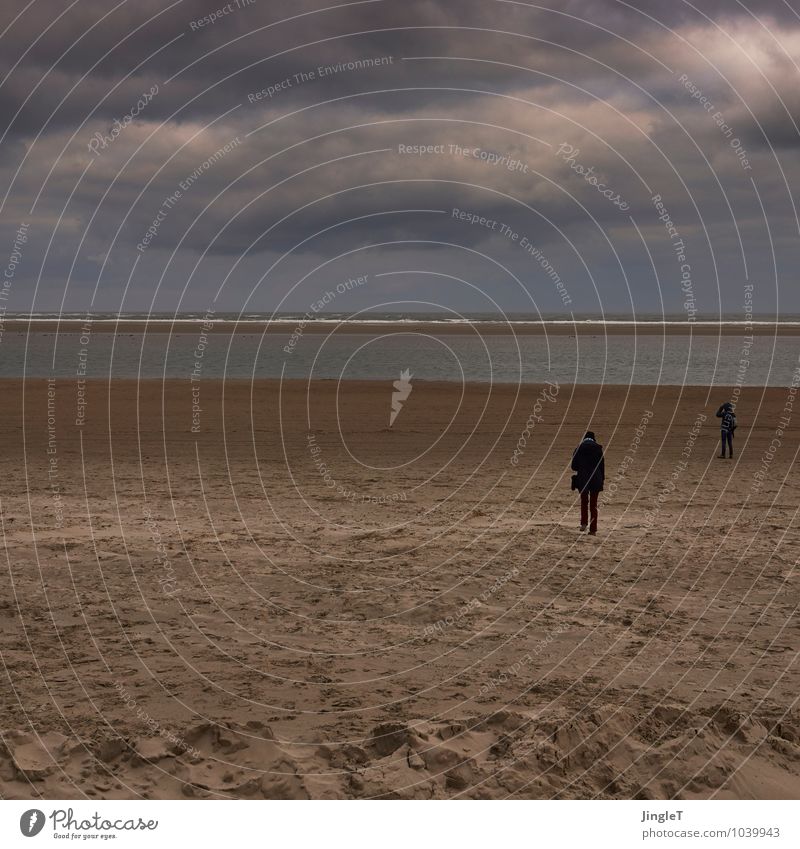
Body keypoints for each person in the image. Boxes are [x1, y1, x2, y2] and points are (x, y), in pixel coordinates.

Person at [571, 431, 605, 535]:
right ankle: (593, 529)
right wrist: (602, 479)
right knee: (594, 505)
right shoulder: (598, 449)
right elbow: (602, 466)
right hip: (596, 479)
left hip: (583, 478)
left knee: (584, 502)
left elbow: (574, 466)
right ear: (594, 439)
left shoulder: (579, 448)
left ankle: (584, 523)